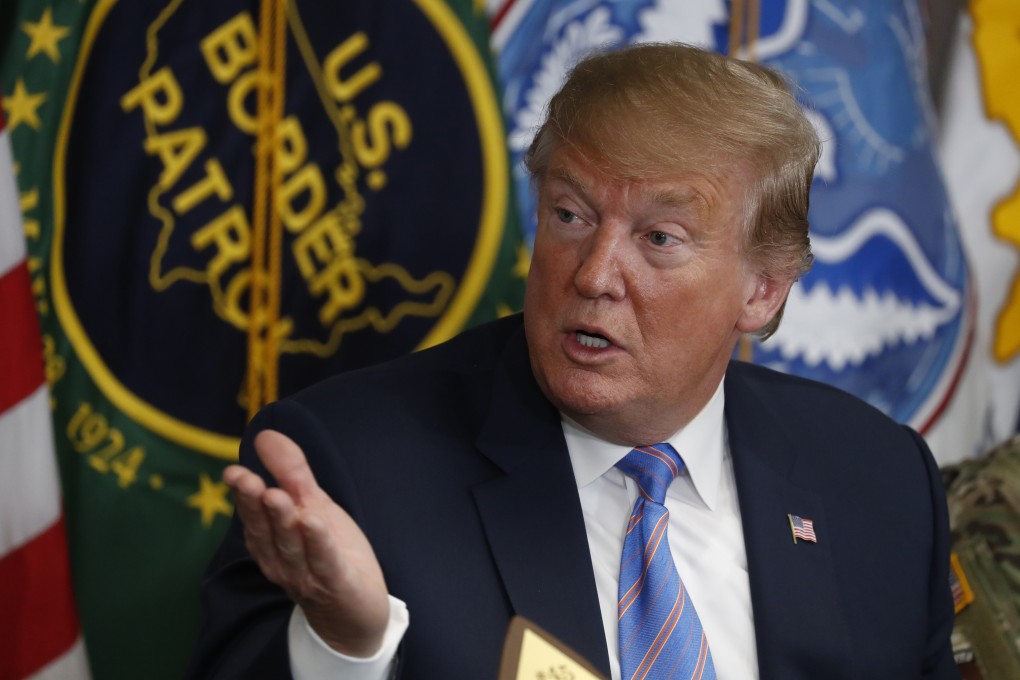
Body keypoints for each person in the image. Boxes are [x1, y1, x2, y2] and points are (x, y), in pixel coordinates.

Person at [189, 43, 958, 679]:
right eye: (570, 214)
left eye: (659, 238)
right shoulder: (349, 465)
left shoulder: (879, 483)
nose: (592, 274)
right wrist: (342, 645)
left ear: (762, 290)